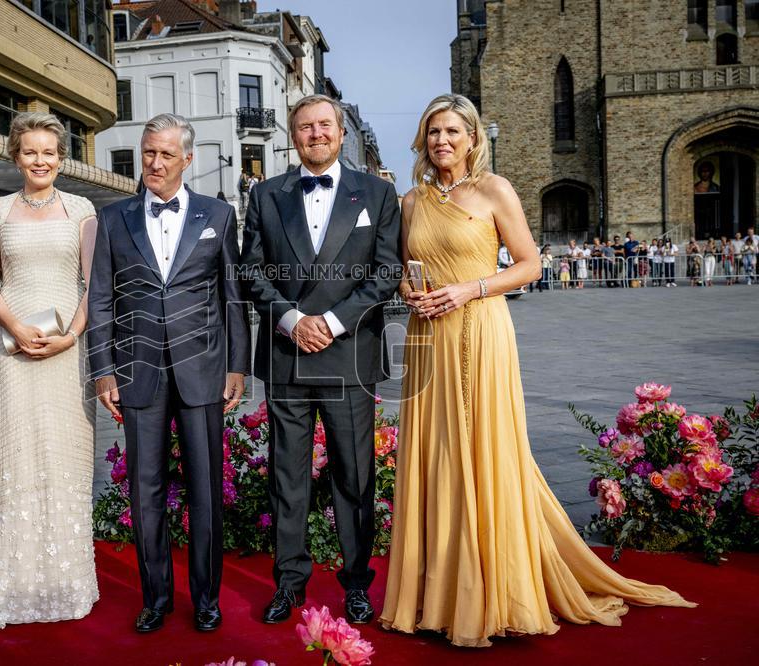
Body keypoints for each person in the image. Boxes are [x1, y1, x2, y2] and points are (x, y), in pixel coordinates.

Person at [380, 93, 694, 648]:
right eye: (433, 131)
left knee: (482, 452)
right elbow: (410, 267)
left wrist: (470, 288)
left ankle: (491, 592)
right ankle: (438, 594)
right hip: (429, 337)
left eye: (453, 131)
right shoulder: (411, 201)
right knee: (435, 456)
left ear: (473, 138)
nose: (442, 141)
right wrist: (409, 288)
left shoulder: (494, 190)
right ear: (423, 140)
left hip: (480, 330)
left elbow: (529, 265)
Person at [240, 93, 401, 626]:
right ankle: (289, 583)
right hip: (287, 354)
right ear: (293, 135)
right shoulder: (265, 195)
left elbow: (384, 274)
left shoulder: (377, 194)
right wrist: (290, 319)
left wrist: (330, 323)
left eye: (325, 125)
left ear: (339, 132)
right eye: (305, 127)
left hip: (348, 353)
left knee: (354, 477)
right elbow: (251, 271)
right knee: (287, 477)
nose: (316, 134)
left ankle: (357, 584)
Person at [88, 113, 250, 634]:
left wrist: (236, 366)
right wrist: (103, 371)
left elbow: (232, 298)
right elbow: (99, 301)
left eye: (165, 154)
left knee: (205, 490)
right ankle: (155, 597)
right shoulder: (112, 218)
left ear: (188, 159)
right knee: (146, 490)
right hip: (137, 375)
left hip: (203, 373)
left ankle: (206, 599)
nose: (154, 163)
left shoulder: (218, 215)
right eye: (148, 152)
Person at [0, 112, 99, 629]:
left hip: (68, 351)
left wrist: (72, 335)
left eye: (50, 153)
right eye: (31, 152)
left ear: (62, 158)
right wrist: (16, 327)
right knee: (18, 458)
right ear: (15, 155)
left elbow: (92, 285)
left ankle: (66, 583)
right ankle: (15, 584)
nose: (41, 161)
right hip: (11, 348)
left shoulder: (82, 209)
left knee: (66, 459)